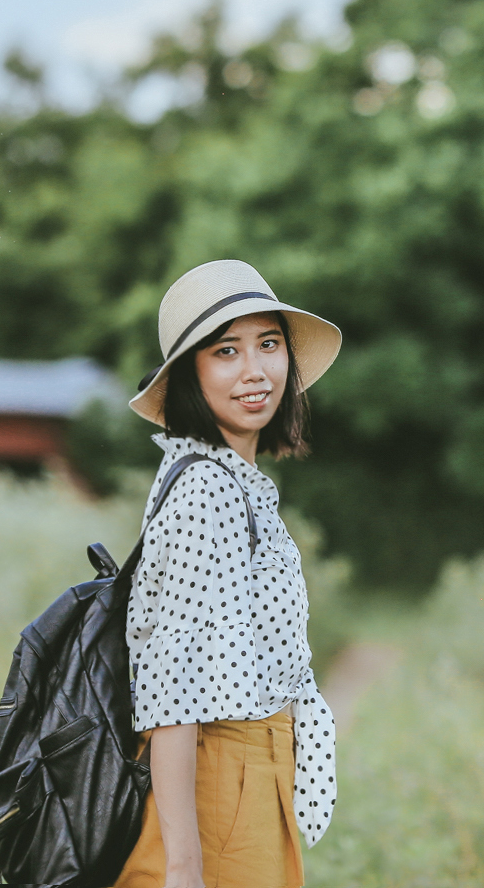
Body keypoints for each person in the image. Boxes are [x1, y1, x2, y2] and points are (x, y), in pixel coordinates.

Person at [113, 259, 343, 888]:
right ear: (191, 373)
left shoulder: (226, 479)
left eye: (268, 344)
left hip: (251, 775)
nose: (254, 370)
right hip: (223, 780)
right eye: (225, 351)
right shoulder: (205, 493)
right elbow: (169, 687)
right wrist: (184, 865)